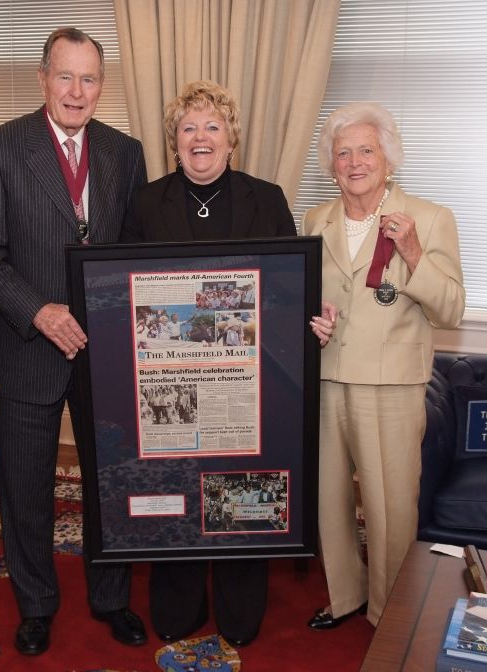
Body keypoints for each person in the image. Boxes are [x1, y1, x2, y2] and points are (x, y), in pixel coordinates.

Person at [0, 27, 148, 656]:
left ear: (103, 85)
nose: (77, 90)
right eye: (65, 76)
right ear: (43, 78)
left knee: (110, 482)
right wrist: (38, 311)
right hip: (28, 348)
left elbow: (136, 256)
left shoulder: (126, 153)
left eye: (89, 78)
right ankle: (36, 605)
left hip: (106, 357)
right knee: (25, 487)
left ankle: (111, 599)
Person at [120, 80, 297, 647]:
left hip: (244, 382)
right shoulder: (147, 202)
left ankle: (239, 606)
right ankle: (180, 603)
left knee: (241, 485)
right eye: (189, 127)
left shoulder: (265, 199)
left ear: (231, 139)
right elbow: (123, 290)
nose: (201, 137)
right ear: (175, 142)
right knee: (178, 484)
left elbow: (287, 288)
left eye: (212, 126)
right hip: (168, 381)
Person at [304, 101, 465, 629]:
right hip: (326, 377)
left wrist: (415, 252)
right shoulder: (315, 219)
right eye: (342, 152)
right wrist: (311, 322)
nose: (354, 162)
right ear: (331, 164)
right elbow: (305, 296)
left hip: (391, 385)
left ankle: (388, 615)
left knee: (391, 510)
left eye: (365, 150)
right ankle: (346, 596)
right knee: (329, 503)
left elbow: (450, 308)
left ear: (388, 159)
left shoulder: (430, 218)